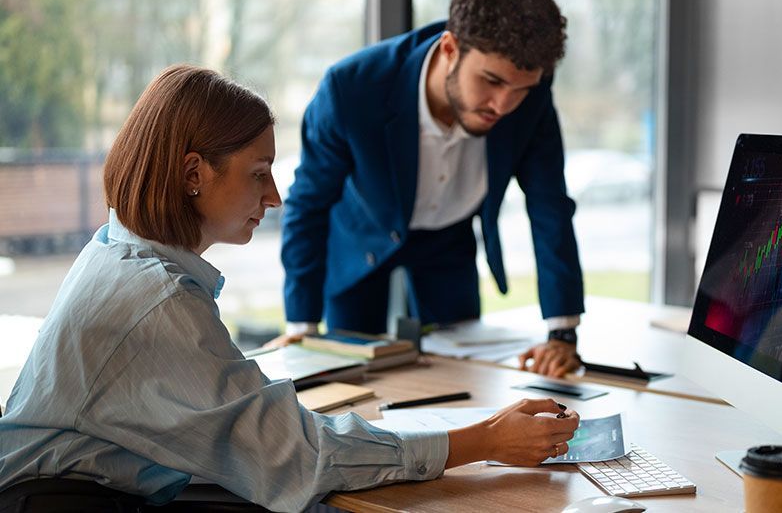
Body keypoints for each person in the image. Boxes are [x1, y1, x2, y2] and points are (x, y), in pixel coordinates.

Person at [0, 65, 579, 512]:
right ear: (193, 175)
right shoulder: (158, 300)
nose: (274, 197)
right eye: (259, 174)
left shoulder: (115, 249)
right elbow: (302, 456)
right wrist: (486, 440)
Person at [278, 0, 585, 378]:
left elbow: (550, 205)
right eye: (491, 81)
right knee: (346, 378)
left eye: (520, 89)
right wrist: (302, 326)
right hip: (361, 238)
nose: (503, 105)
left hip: (449, 241)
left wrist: (562, 332)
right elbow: (307, 206)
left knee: (460, 379)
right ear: (449, 48)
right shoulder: (351, 89)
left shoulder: (531, 99)